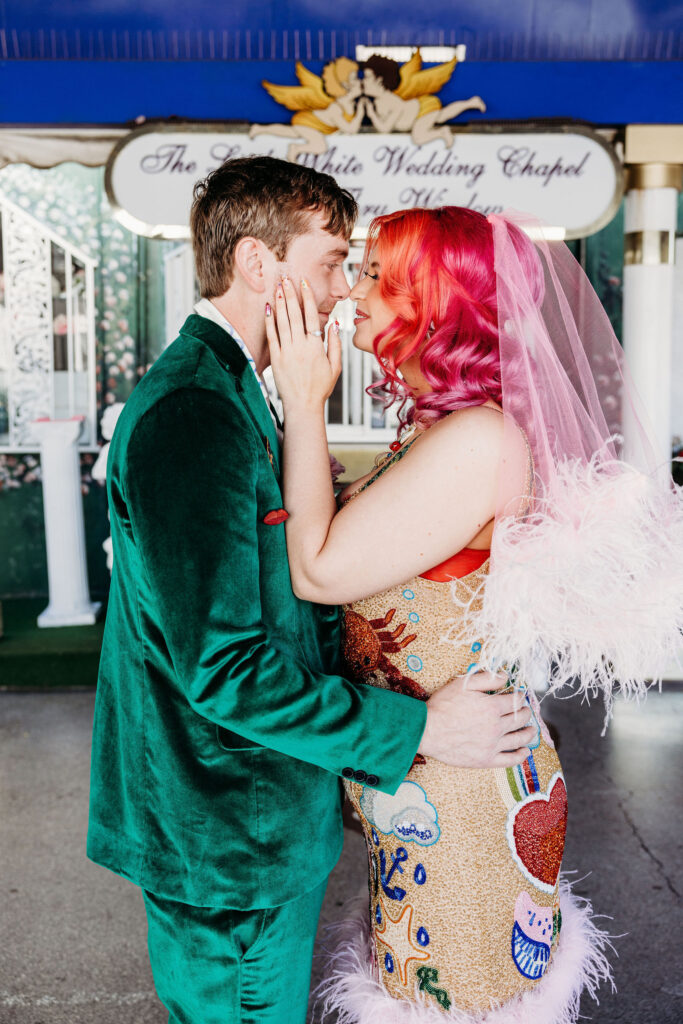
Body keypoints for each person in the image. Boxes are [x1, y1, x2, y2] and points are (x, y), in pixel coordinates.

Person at [86, 159, 537, 1024]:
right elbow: (225, 670)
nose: (340, 291)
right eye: (334, 262)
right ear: (259, 265)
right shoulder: (194, 411)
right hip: (227, 835)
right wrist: (420, 727)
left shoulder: (235, 395)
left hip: (249, 819)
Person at [265, 205, 656, 1021]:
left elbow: (318, 568)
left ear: (434, 299)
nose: (351, 292)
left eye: (377, 275)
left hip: (468, 805)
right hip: (433, 785)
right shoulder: (441, 431)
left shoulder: (476, 438)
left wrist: (303, 403)